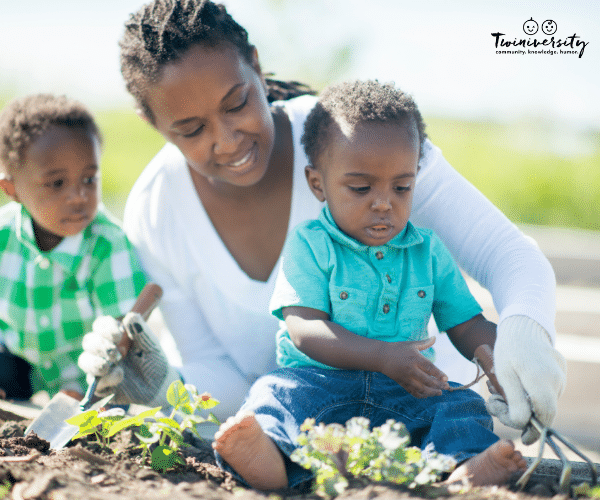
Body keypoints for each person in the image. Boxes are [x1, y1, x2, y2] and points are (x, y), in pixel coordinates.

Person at [77, 0, 565, 447]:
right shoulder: (157, 209)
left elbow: (507, 253)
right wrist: (163, 385)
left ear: (257, 66)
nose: (227, 141)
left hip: (426, 414)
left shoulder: (356, 136)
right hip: (296, 427)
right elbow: (228, 382)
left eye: (237, 103)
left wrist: (525, 330)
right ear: (152, 122)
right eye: (192, 129)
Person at [211, 79, 528, 490]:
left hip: (405, 393)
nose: (383, 202)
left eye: (402, 187)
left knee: (461, 405)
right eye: (360, 188)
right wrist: (381, 355)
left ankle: (462, 470)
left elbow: (466, 323)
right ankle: (270, 462)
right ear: (318, 184)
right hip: (319, 386)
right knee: (274, 392)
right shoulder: (311, 244)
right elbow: (304, 328)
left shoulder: (427, 251)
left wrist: (505, 356)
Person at [0, 93, 148, 400]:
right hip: (19, 371)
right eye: (57, 183)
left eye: (89, 179)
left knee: (114, 383)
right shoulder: (4, 236)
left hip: (90, 383)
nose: (79, 196)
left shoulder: (107, 245)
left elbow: (122, 340)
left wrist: (93, 390)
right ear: (12, 189)